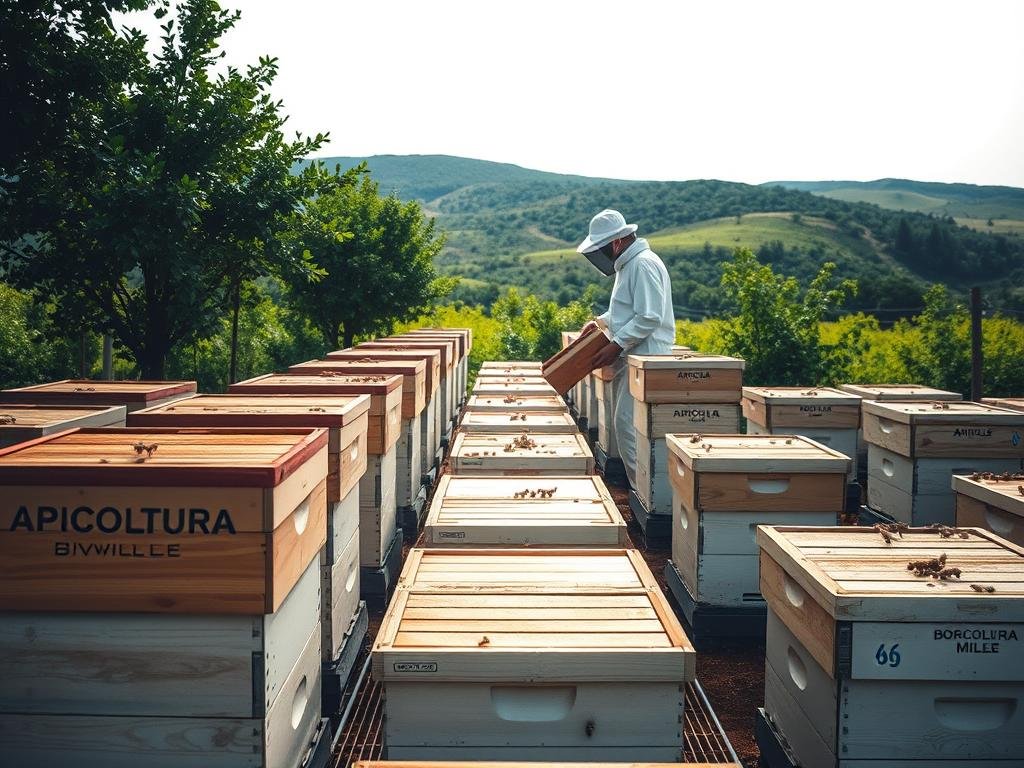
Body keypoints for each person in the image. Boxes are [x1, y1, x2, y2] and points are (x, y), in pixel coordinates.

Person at [577, 209, 675, 490]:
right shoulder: (630, 265)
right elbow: (625, 311)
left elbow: (649, 316)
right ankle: (642, 492)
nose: (601, 256)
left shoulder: (642, 264)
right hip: (633, 355)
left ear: (617, 241)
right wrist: (599, 322)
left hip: (646, 355)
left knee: (629, 427)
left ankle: (644, 493)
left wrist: (615, 344)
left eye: (602, 248)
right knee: (627, 425)